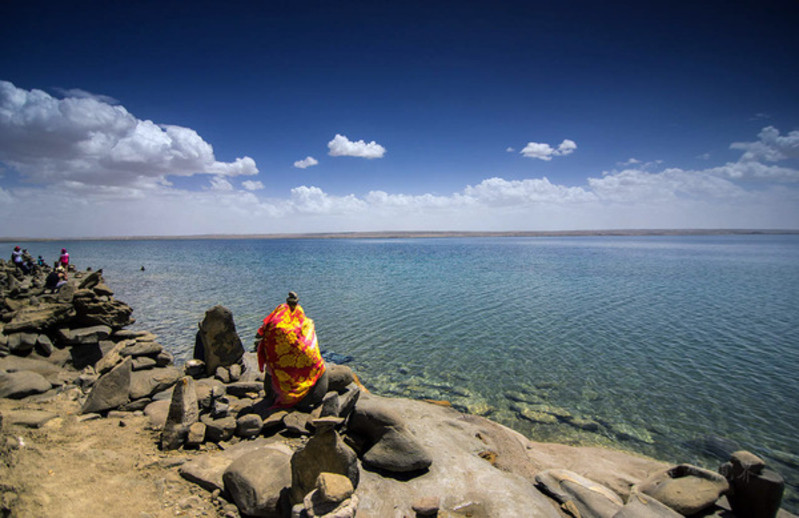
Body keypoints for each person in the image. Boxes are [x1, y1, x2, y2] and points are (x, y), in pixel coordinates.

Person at [255, 291, 328, 410]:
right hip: (312, 394)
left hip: (276, 387)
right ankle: (301, 395)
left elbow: (261, 336)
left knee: (273, 364)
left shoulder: (275, 328)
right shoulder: (307, 325)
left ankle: (282, 394)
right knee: (317, 363)